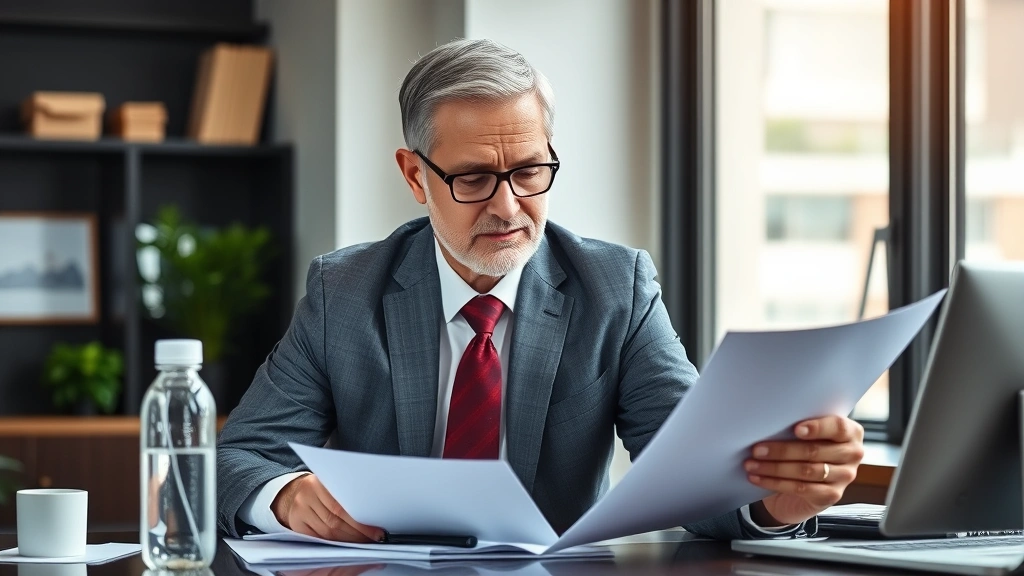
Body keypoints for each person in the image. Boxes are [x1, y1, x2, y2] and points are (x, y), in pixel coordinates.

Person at [217, 38, 864, 542]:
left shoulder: (617, 289)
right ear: (415, 176)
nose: (508, 207)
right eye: (473, 179)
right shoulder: (346, 291)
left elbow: (688, 474)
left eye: (529, 171)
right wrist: (286, 496)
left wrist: (778, 503)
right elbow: (238, 456)